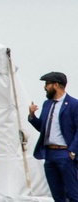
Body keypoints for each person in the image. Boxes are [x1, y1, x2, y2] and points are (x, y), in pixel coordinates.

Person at [27, 71, 78, 201]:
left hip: (65, 153)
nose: (45, 87)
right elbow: (43, 128)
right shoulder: (47, 104)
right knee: (57, 194)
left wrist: (73, 150)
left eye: (47, 84)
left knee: (73, 193)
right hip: (49, 154)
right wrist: (32, 117)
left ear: (56, 85)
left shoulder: (73, 104)